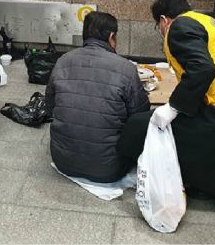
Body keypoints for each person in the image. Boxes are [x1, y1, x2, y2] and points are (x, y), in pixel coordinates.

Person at [117, 0, 215, 208]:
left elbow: (203, 69)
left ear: (164, 20)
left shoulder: (179, 27)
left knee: (139, 126)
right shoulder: (210, 23)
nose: (161, 31)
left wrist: (173, 108)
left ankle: (125, 169)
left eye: (158, 26)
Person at [45, 11, 149, 183]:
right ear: (111, 37)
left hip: (63, 162)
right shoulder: (125, 68)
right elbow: (139, 117)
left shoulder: (63, 61)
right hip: (109, 169)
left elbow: (49, 106)